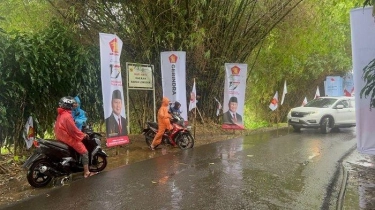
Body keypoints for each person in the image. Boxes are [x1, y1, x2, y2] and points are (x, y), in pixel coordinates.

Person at [54, 96, 95, 178]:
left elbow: (83, 121)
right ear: (69, 105)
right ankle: (86, 172)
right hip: (68, 136)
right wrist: (83, 135)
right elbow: (73, 130)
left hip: (61, 135)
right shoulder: (68, 115)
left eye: (76, 103)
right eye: (73, 104)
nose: (75, 105)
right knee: (84, 151)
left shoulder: (61, 114)